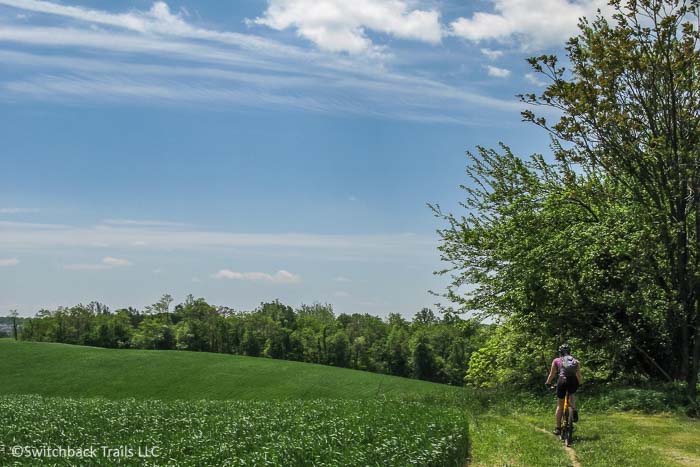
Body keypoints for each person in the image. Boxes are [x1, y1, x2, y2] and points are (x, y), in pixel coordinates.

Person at [545, 343, 582, 436]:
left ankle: (558, 428)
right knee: (572, 396)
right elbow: (579, 375)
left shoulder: (556, 360)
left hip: (562, 381)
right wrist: (580, 384)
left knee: (560, 406)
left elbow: (552, 374)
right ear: (569, 352)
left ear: (560, 353)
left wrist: (548, 383)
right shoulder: (576, 361)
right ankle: (573, 410)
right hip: (573, 381)